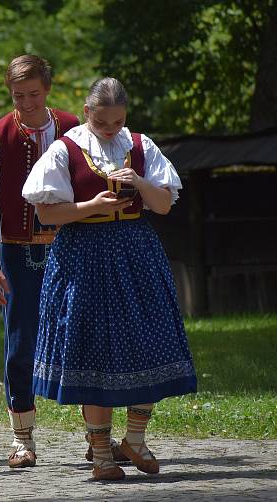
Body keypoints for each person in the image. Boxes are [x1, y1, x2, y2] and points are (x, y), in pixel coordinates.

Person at [22, 77, 197, 481]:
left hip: (136, 252)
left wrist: (137, 181)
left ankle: (134, 439)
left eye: (118, 121)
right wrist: (90, 205)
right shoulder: (64, 150)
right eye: (103, 122)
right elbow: (47, 215)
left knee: (147, 341)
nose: (111, 129)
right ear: (87, 114)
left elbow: (164, 205)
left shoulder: (139, 146)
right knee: (92, 349)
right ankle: (101, 452)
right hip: (83, 255)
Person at [0, 55, 81, 468]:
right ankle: (22, 438)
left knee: (81, 336)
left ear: (47, 89)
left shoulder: (75, 131)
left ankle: (95, 434)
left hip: (73, 245)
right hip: (17, 250)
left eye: (34, 94)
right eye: (18, 96)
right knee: (20, 341)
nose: (27, 103)